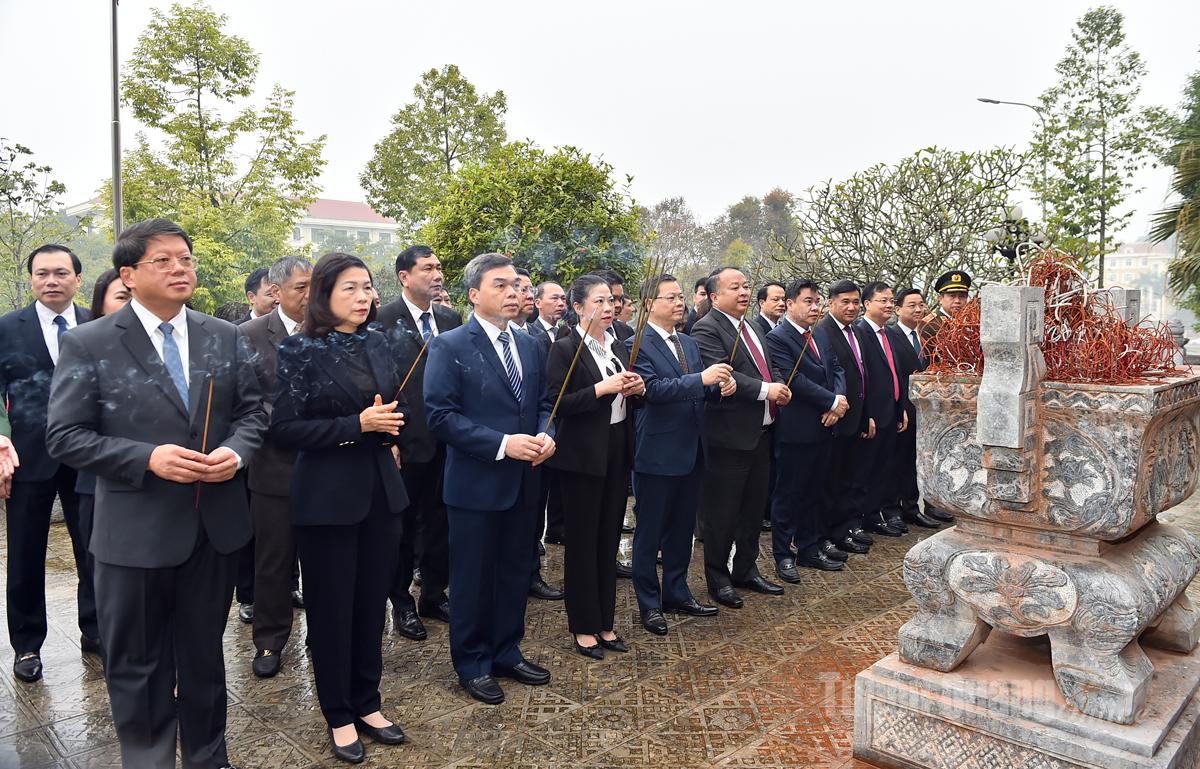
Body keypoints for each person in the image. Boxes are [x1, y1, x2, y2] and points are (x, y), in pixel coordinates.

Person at [46, 218, 266, 769]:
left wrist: (235, 454)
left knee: (203, 659)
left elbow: (254, 412)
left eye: (186, 258)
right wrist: (147, 458)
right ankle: (147, 759)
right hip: (135, 533)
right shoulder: (90, 342)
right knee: (138, 664)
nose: (180, 268)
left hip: (213, 527)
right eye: (163, 260)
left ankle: (208, 758)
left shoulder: (224, 335)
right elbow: (65, 436)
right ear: (129, 273)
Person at [270, 252, 410, 763]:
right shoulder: (300, 349)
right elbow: (284, 430)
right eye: (350, 288)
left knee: (372, 605)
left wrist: (395, 419)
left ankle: (368, 701)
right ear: (323, 294)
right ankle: (339, 713)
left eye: (368, 287)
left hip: (380, 492)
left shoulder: (378, 341)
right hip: (327, 497)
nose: (363, 297)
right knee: (331, 610)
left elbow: (394, 404)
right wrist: (357, 426)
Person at [424, 252, 555, 706]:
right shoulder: (451, 345)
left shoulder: (531, 344)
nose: (513, 292)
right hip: (476, 484)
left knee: (515, 570)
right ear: (474, 294)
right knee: (473, 577)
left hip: (525, 480)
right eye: (500, 285)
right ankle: (473, 662)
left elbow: (544, 401)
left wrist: (545, 434)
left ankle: (506, 650)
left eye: (516, 284)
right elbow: (440, 417)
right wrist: (503, 444)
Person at [0, 244, 92, 684]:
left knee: (95, 551)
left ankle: (96, 631)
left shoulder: (101, 324)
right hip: (27, 458)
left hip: (90, 458)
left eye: (60, 272)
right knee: (24, 556)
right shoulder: (6, 328)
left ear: (77, 277)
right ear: (31, 279)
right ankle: (27, 645)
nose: (50, 280)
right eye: (41, 274)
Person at [546, 275, 645, 659]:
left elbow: (625, 398)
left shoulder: (615, 346)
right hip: (582, 457)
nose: (609, 308)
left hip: (616, 451)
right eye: (600, 302)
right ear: (578, 307)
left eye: (611, 302)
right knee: (583, 544)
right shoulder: (565, 347)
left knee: (608, 541)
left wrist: (635, 389)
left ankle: (606, 621)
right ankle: (583, 626)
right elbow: (558, 402)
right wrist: (603, 390)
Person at [628, 274, 727, 636]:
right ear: (649, 304)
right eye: (670, 297)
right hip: (657, 449)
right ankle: (649, 602)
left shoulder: (687, 341)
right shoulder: (636, 343)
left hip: (693, 447)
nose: (679, 302)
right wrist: (702, 381)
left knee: (682, 529)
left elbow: (701, 390)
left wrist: (719, 388)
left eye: (681, 296)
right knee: (650, 531)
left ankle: (677, 590)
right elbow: (651, 390)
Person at [690, 267, 791, 608]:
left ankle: (746, 568)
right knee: (723, 512)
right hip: (728, 437)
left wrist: (779, 386)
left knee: (752, 509)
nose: (744, 292)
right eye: (735, 287)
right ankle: (717, 578)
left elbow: (769, 368)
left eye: (747, 285)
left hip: (761, 433)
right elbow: (722, 375)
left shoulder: (750, 327)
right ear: (715, 296)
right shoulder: (706, 328)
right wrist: (767, 389)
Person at [375, 245, 462, 640]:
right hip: (405, 439)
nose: (437, 274)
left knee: (441, 520)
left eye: (439, 267)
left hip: (449, 438)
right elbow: (377, 383)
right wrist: (389, 437)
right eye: (427, 268)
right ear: (404, 276)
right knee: (402, 526)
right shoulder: (380, 320)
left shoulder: (450, 318)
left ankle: (433, 593)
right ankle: (402, 603)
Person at [239, 256, 312, 678]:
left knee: (324, 561)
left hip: (326, 466)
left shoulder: (332, 332)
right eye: (300, 287)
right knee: (273, 561)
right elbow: (245, 400)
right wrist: (295, 424)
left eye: (313, 286)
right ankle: (269, 641)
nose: (308, 295)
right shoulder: (248, 335)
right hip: (273, 468)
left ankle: (324, 636)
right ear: (276, 291)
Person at [68, 268, 132, 669]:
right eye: (122, 297)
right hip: (103, 486)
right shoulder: (88, 351)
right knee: (107, 579)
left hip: (177, 491)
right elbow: (71, 433)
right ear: (101, 304)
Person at [766, 281, 848, 577]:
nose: (815, 308)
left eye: (817, 302)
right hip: (797, 428)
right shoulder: (777, 338)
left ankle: (809, 548)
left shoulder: (820, 333)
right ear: (789, 304)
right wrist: (831, 401)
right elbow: (793, 379)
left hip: (826, 425)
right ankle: (782, 554)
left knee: (815, 490)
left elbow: (837, 368)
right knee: (789, 493)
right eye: (808, 302)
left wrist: (838, 401)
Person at [817, 280, 876, 554]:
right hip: (833, 418)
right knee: (829, 482)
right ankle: (827, 534)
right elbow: (829, 375)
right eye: (845, 302)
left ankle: (845, 530)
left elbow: (864, 376)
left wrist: (866, 416)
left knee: (849, 478)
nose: (851, 307)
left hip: (855, 418)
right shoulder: (823, 331)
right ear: (831, 303)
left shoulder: (858, 332)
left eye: (855, 302)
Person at [854, 282, 912, 537]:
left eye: (891, 300)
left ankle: (876, 515)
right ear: (867, 304)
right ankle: (860, 518)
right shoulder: (859, 333)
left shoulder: (889, 333)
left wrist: (901, 407)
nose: (889, 305)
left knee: (885, 469)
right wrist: (865, 414)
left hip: (892, 412)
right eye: (883, 301)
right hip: (872, 415)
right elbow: (861, 377)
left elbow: (895, 373)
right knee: (865, 469)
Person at [889, 288, 940, 530]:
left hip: (926, 410)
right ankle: (893, 509)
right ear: (898, 309)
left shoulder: (927, 334)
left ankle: (912, 506)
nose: (918, 310)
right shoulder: (890, 335)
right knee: (898, 460)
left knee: (917, 459)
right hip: (903, 408)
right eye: (912, 305)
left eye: (921, 305)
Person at [529, 281, 569, 548]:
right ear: (538, 302)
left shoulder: (569, 334)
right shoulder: (530, 336)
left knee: (561, 484)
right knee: (538, 490)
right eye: (554, 298)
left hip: (566, 422)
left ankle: (558, 528)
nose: (561, 303)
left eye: (564, 299)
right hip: (542, 421)